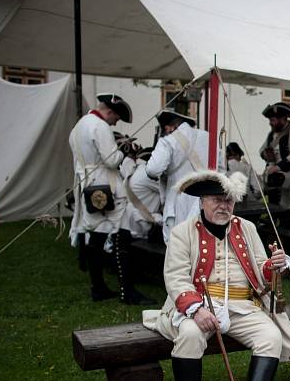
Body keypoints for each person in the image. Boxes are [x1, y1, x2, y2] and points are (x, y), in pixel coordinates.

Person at [146, 169, 290, 381]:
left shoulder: (247, 228)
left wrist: (273, 267)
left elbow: (260, 271)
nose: (223, 206)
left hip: (242, 304)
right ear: (202, 202)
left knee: (271, 337)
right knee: (190, 336)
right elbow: (176, 278)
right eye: (216, 199)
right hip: (199, 305)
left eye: (228, 200)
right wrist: (196, 309)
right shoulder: (182, 233)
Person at [69, 93, 133, 301]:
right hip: (102, 184)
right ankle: (102, 288)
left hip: (87, 181)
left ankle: (98, 285)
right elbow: (112, 160)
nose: (115, 123)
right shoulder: (100, 126)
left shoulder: (80, 125)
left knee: (94, 236)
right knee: (105, 234)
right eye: (116, 118)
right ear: (110, 112)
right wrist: (124, 150)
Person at [146, 109, 209, 244]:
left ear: (170, 127)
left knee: (178, 252)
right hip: (208, 203)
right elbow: (220, 170)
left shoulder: (168, 141)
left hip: (178, 205)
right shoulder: (209, 137)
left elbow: (152, 170)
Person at [113, 147, 160, 305]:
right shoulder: (148, 175)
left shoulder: (136, 171)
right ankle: (127, 293)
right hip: (137, 224)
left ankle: (127, 291)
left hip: (127, 221)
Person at [259, 102, 290, 229]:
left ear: (283, 119)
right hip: (274, 172)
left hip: (289, 173)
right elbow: (261, 150)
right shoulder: (271, 134)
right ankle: (277, 218)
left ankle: (276, 217)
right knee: (282, 203)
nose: (270, 123)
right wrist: (266, 155)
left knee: (275, 179)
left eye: (273, 120)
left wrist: (277, 167)